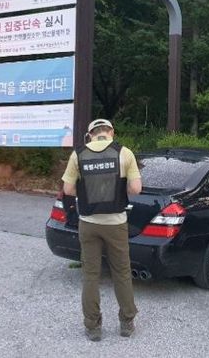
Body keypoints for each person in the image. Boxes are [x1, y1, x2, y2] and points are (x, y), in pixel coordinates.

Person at [61, 118, 142, 342]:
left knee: (90, 275)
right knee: (122, 273)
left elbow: (68, 189)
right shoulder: (124, 153)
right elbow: (136, 188)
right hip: (116, 223)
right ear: (111, 132)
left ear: (90, 135)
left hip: (88, 223)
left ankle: (93, 327)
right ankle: (126, 322)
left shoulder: (78, 154)